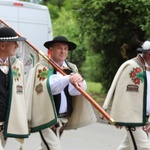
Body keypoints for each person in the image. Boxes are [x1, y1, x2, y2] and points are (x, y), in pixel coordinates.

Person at [26, 35, 97, 150]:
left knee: (46, 147)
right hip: (47, 117)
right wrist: (68, 79)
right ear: (51, 50)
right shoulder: (43, 67)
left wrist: (79, 80)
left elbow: (76, 91)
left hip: (63, 118)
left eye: (65, 48)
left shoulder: (71, 68)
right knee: (54, 147)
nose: (63, 51)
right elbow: (50, 87)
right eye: (59, 48)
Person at [102, 38, 150, 150]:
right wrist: (119, 117)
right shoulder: (132, 66)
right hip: (133, 119)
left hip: (144, 118)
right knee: (144, 147)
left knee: (126, 147)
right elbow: (123, 94)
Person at [0, 26, 29, 149]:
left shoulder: (17, 66)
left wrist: (23, 119)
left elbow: (21, 96)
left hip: (5, 122)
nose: (17, 46)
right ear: (2, 46)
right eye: (14, 43)